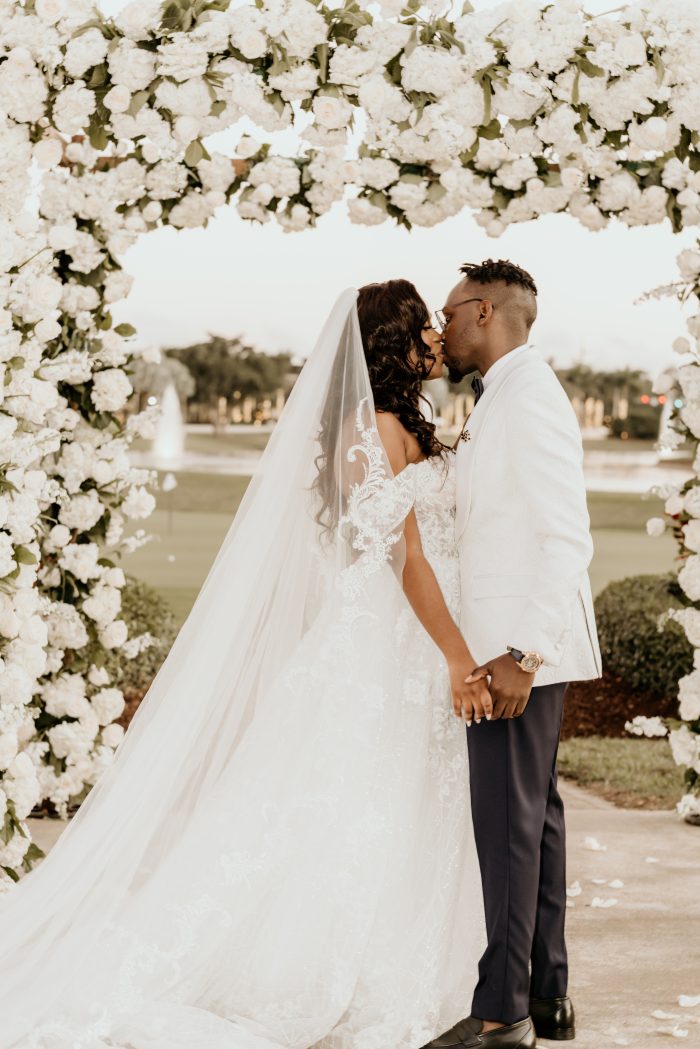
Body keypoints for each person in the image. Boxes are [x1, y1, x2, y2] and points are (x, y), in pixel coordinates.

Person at [0, 282, 489, 1049]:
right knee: (358, 795)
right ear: (394, 343)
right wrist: (459, 655)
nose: (435, 338)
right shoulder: (375, 426)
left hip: (405, 643)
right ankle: (328, 966)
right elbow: (406, 556)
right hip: (396, 641)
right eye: (423, 326)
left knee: (396, 795)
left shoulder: (401, 424)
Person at [425, 259, 602, 1049]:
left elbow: (568, 537)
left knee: (506, 825)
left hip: (515, 652)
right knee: (536, 821)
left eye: (450, 312)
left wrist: (521, 654)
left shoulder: (529, 399)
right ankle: (550, 995)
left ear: (484, 309)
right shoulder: (508, 394)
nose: (443, 327)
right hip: (520, 645)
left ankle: (503, 1015)